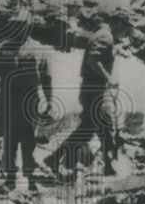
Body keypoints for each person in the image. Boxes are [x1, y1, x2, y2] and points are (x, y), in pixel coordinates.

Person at [0, 29, 52, 191]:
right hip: (8, 100)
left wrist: (49, 100)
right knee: (9, 140)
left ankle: (31, 179)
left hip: (30, 100)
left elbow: (45, 78)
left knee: (29, 140)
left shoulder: (38, 49)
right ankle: (10, 179)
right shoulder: (0, 49)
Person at [50, 23, 119, 176]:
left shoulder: (100, 34)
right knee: (89, 129)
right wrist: (109, 78)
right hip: (93, 90)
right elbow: (93, 61)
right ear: (119, 23)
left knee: (104, 127)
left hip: (92, 90)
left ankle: (108, 167)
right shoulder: (106, 36)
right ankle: (53, 158)